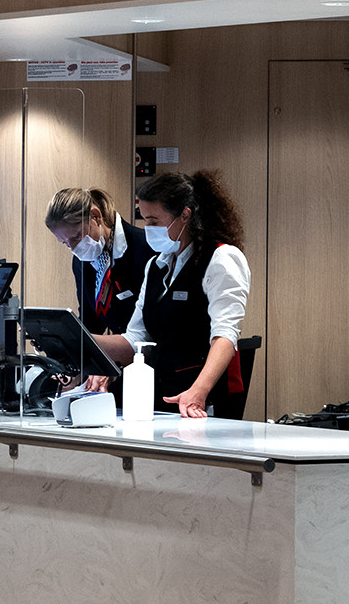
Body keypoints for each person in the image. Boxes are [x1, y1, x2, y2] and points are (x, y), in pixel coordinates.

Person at [91, 170, 251, 418]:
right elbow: (135, 338)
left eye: (154, 221)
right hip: (164, 396)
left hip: (205, 399)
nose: (147, 229)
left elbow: (225, 335)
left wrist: (199, 391)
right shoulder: (155, 266)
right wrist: (79, 340)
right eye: (144, 220)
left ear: (185, 215)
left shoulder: (221, 258)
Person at [44, 186, 155, 339]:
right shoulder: (81, 261)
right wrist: (56, 338)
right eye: (66, 243)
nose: (74, 248)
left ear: (96, 216)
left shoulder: (146, 248)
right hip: (116, 356)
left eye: (76, 237)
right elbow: (90, 323)